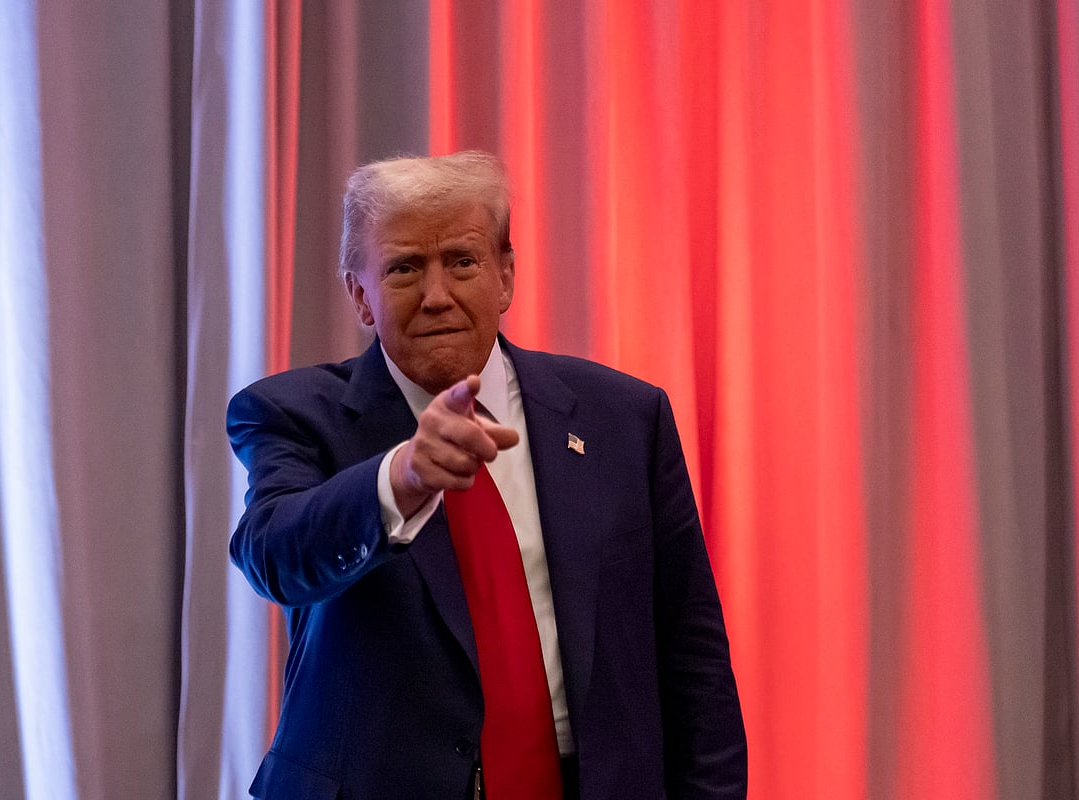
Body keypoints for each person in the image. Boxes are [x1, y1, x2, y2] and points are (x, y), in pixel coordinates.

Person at [227, 151, 747, 799]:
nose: (437, 295)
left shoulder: (625, 419)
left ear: (505, 276)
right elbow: (273, 552)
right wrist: (402, 478)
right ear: (360, 296)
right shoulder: (292, 415)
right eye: (404, 267)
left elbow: (691, 654)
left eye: (462, 262)